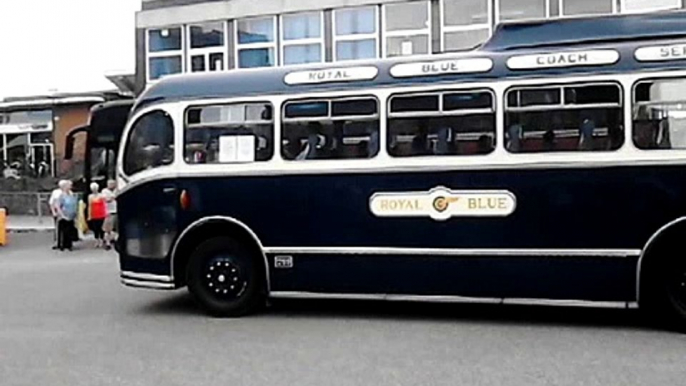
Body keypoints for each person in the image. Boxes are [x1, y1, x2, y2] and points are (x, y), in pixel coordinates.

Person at [56, 181, 78, 251]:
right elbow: (58, 206)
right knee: (64, 231)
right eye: (69, 186)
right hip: (64, 216)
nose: (70, 187)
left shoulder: (71, 195)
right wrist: (62, 215)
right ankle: (62, 245)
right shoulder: (61, 196)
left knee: (70, 230)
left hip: (71, 215)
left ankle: (69, 245)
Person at [49, 180, 68, 250]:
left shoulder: (68, 192)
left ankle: (65, 243)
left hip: (66, 212)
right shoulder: (56, 192)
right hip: (58, 212)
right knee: (58, 228)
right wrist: (53, 211)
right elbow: (51, 203)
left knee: (66, 228)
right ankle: (57, 243)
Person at [87, 183, 107, 248]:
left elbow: (105, 204)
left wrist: (106, 213)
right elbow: (89, 206)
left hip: (101, 213)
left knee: (101, 227)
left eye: (95, 188)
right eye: (93, 189)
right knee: (95, 228)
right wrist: (89, 215)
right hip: (94, 214)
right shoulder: (90, 196)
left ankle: (101, 240)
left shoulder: (101, 195)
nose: (94, 190)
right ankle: (96, 240)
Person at [101, 180, 118, 250]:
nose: (111, 185)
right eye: (110, 184)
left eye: (113, 184)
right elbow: (106, 199)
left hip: (116, 211)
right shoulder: (104, 191)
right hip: (108, 212)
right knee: (108, 229)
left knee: (115, 228)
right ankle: (107, 242)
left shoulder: (117, 190)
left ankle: (114, 240)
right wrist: (113, 197)